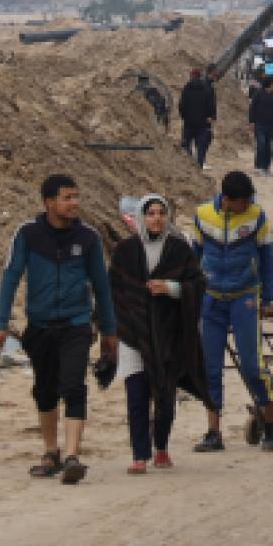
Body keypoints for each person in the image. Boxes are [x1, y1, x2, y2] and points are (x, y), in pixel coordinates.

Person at [0, 174, 119, 485]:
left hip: (77, 324)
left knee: (73, 385)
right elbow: (10, 279)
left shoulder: (88, 238)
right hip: (40, 326)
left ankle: (73, 455)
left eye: (76, 197)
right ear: (49, 202)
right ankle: (51, 452)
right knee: (45, 389)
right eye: (67, 198)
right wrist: (0, 324)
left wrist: (109, 332)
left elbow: (102, 288)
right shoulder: (27, 235)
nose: (74, 203)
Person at [109, 195, 211, 475]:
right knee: (136, 393)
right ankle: (140, 454)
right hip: (133, 333)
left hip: (169, 333)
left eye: (161, 213)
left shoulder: (179, 250)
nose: (156, 218)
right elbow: (114, 289)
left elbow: (198, 284)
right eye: (150, 213)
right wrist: (113, 329)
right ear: (141, 217)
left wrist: (172, 288)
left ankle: (161, 445)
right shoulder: (126, 250)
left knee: (165, 393)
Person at [192, 171, 273, 453]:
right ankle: (213, 431)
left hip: (245, 297)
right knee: (210, 367)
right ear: (228, 200)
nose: (248, 204)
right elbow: (195, 256)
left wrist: (267, 298)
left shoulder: (257, 216)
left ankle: (271, 421)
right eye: (243, 201)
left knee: (252, 365)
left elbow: (267, 259)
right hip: (212, 299)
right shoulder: (203, 215)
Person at [177, 68, 217, 169]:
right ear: (200, 76)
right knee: (201, 146)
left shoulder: (186, 88)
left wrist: (184, 116)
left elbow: (181, 105)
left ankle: (188, 166)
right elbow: (211, 105)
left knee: (186, 145)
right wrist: (211, 116)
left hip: (189, 123)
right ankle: (199, 166)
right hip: (203, 124)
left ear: (191, 76)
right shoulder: (207, 88)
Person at [248, 76, 273, 175]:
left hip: (270, 125)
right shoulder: (258, 93)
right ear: (270, 83)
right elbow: (252, 108)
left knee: (269, 147)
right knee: (261, 145)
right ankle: (259, 166)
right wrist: (251, 121)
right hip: (259, 124)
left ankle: (266, 166)